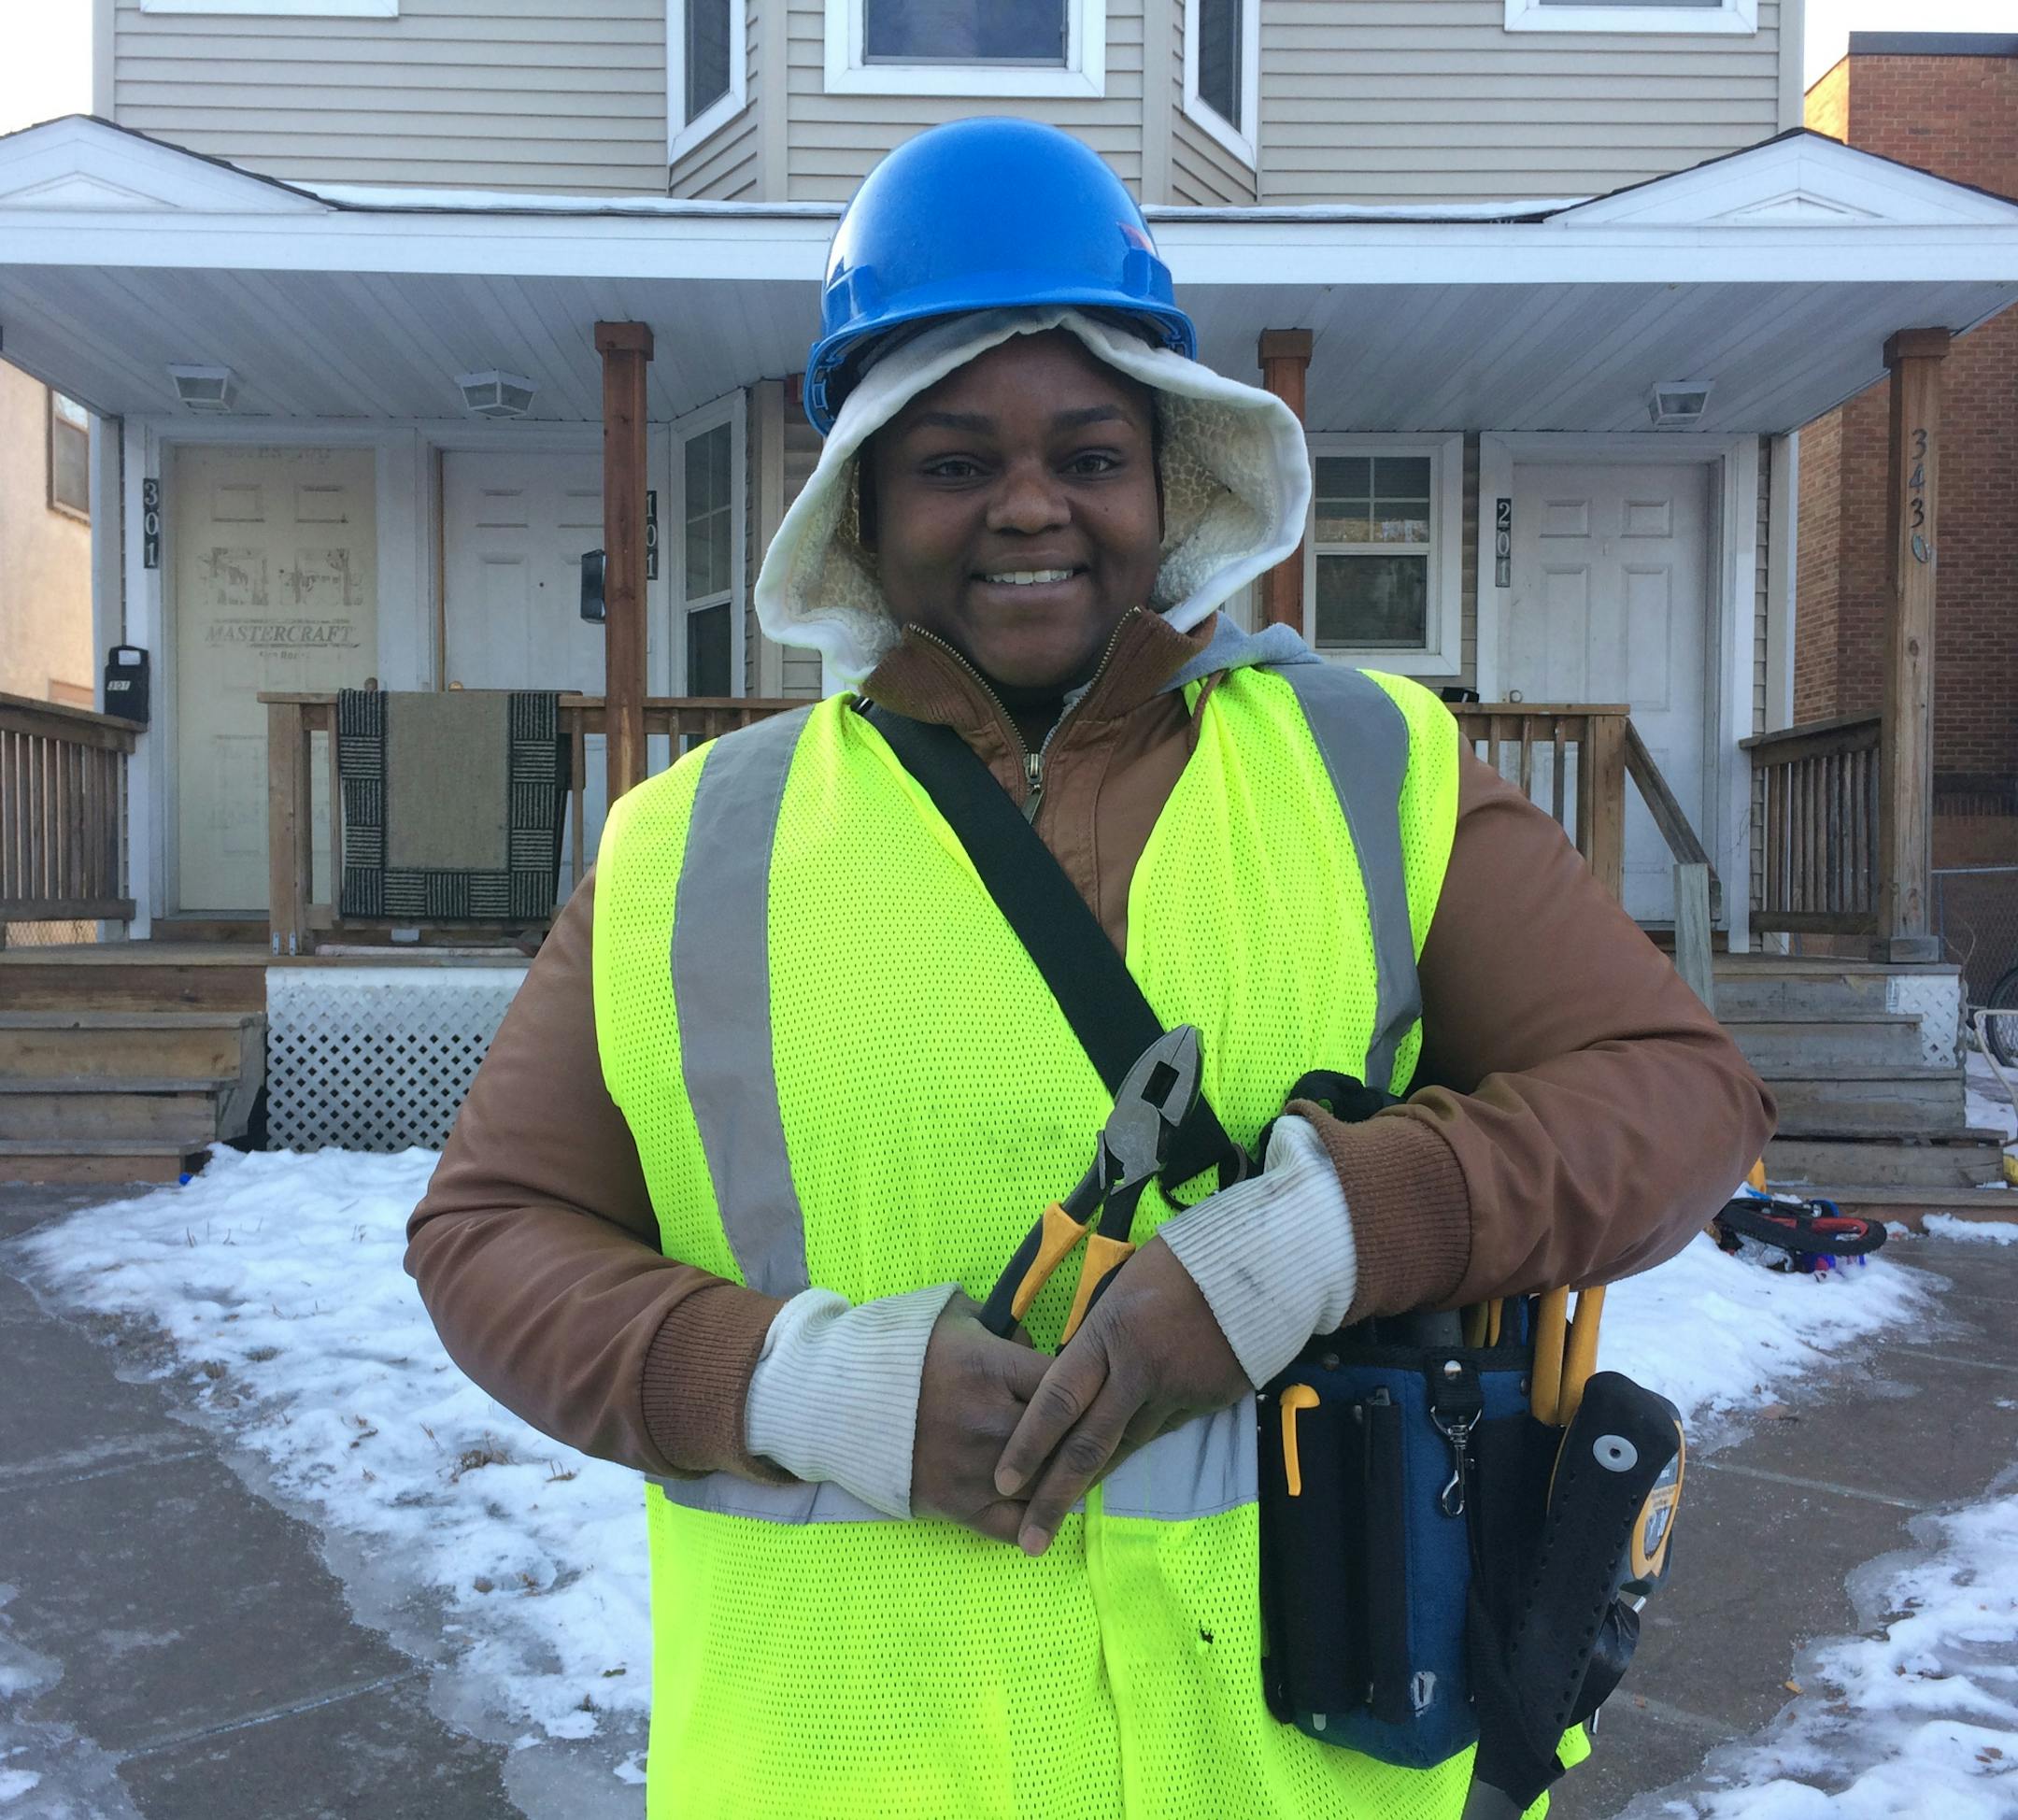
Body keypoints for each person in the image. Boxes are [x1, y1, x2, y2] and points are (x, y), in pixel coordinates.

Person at [408, 118, 1774, 1820]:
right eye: (953, 459)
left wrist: (1325, 1236)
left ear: (1166, 480)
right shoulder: (688, 846)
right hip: (840, 1772)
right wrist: (794, 1382)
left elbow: (1680, 1100)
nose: (1031, 504)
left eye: (1090, 452)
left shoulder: (1375, 767)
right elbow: (487, 1239)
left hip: (1300, 1780)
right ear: (865, 508)